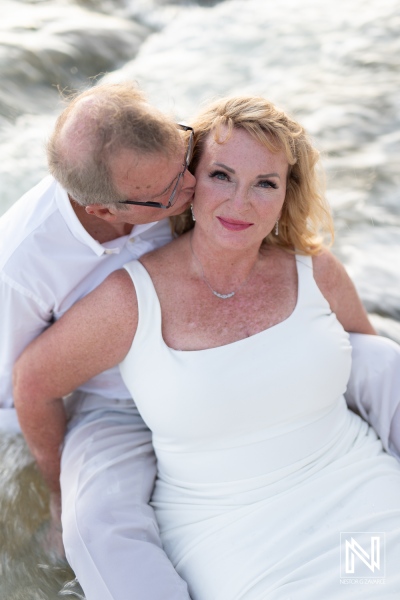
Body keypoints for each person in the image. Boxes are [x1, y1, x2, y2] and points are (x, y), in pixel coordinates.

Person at [13, 95, 400, 598]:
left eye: (265, 183)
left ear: (287, 193)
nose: (240, 204)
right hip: (229, 531)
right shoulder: (128, 299)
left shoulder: (315, 270)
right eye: (222, 176)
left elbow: (371, 368)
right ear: (190, 181)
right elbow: (32, 382)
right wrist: (58, 492)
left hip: (360, 492)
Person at [1, 82, 195, 599]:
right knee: (93, 524)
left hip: (209, 358)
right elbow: (24, 386)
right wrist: (59, 487)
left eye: (186, 158)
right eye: (169, 194)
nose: (195, 185)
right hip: (111, 403)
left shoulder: (174, 169)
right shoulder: (23, 265)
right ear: (105, 211)